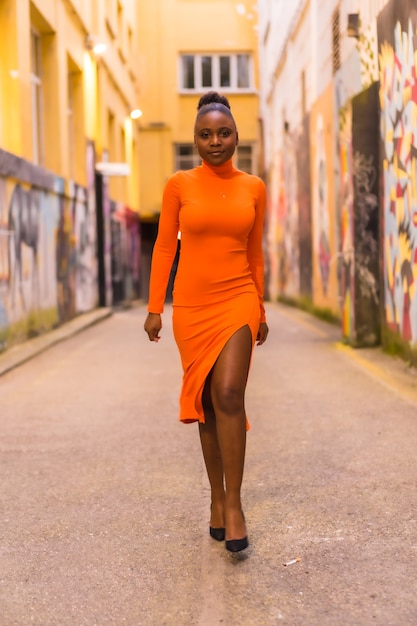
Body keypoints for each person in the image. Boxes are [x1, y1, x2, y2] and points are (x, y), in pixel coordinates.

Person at [144, 91, 269, 552]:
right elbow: (164, 247)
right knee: (207, 405)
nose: (215, 141)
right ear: (194, 139)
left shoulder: (253, 187)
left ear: (237, 136)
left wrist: (260, 307)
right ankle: (216, 498)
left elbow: (254, 251)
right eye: (205, 134)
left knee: (229, 393)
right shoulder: (179, 184)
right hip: (193, 307)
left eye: (224, 133)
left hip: (238, 298)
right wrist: (156, 306)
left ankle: (234, 506)